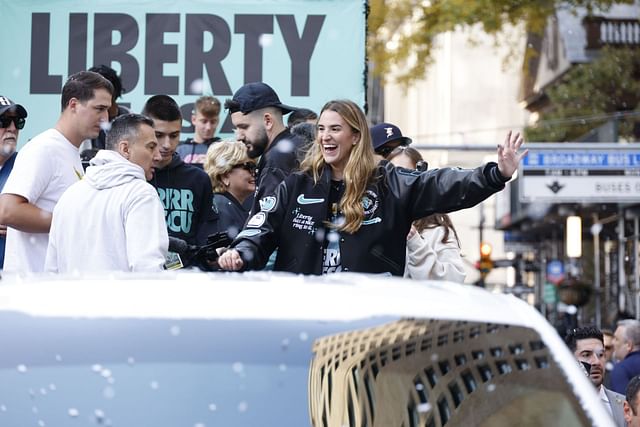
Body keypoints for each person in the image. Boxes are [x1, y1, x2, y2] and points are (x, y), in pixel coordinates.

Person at [218, 99, 526, 275]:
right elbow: (260, 229)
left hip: (369, 322)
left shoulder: (388, 181)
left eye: (335, 129)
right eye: (322, 129)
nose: (325, 136)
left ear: (355, 136)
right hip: (306, 318)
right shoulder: (297, 185)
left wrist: (494, 174)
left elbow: (441, 183)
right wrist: (241, 253)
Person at [0, 71, 113, 273]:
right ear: (73, 105)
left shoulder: (68, 152)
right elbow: (8, 210)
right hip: (31, 290)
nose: (105, 118)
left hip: (52, 288)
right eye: (99, 109)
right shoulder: (44, 148)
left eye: (107, 111)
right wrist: (75, 223)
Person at [45, 114, 168, 273]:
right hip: (123, 298)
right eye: (151, 147)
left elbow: (52, 271)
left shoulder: (70, 195)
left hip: (70, 297)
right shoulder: (141, 194)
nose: (158, 156)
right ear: (125, 149)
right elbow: (147, 269)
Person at [142, 95, 215, 246]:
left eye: (174, 135)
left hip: (189, 268)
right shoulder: (133, 177)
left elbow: (206, 236)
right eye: (159, 135)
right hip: (140, 268)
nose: (167, 144)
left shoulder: (198, 180)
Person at [224, 82, 306, 215]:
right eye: (236, 128)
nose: (238, 136)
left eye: (244, 127)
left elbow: (265, 225)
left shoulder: (277, 159)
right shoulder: (297, 146)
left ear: (268, 121)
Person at [387, 146, 466, 282]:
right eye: (392, 174)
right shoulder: (371, 222)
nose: (398, 182)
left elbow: (454, 280)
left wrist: (415, 243)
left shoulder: (437, 231)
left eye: (404, 173)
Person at [565, 326, 626, 426]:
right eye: (586, 355)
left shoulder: (624, 405)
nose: (596, 362)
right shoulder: (557, 407)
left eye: (600, 354)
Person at [203, 141, 256, 239]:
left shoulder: (222, 205)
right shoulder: (221, 208)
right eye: (248, 167)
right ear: (225, 175)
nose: (254, 172)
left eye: (255, 167)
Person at [0, 96, 27, 269]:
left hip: (14, 282)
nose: (12, 128)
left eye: (18, 121)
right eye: (3, 121)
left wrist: (21, 225)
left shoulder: (28, 165)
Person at [177, 95, 222, 168]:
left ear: (218, 121)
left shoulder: (224, 150)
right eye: (204, 121)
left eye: (213, 122)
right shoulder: (180, 151)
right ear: (194, 119)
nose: (208, 127)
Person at [612, 320, 640, 394]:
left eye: (616, 339)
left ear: (629, 345)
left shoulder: (621, 369)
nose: (613, 343)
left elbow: (620, 403)